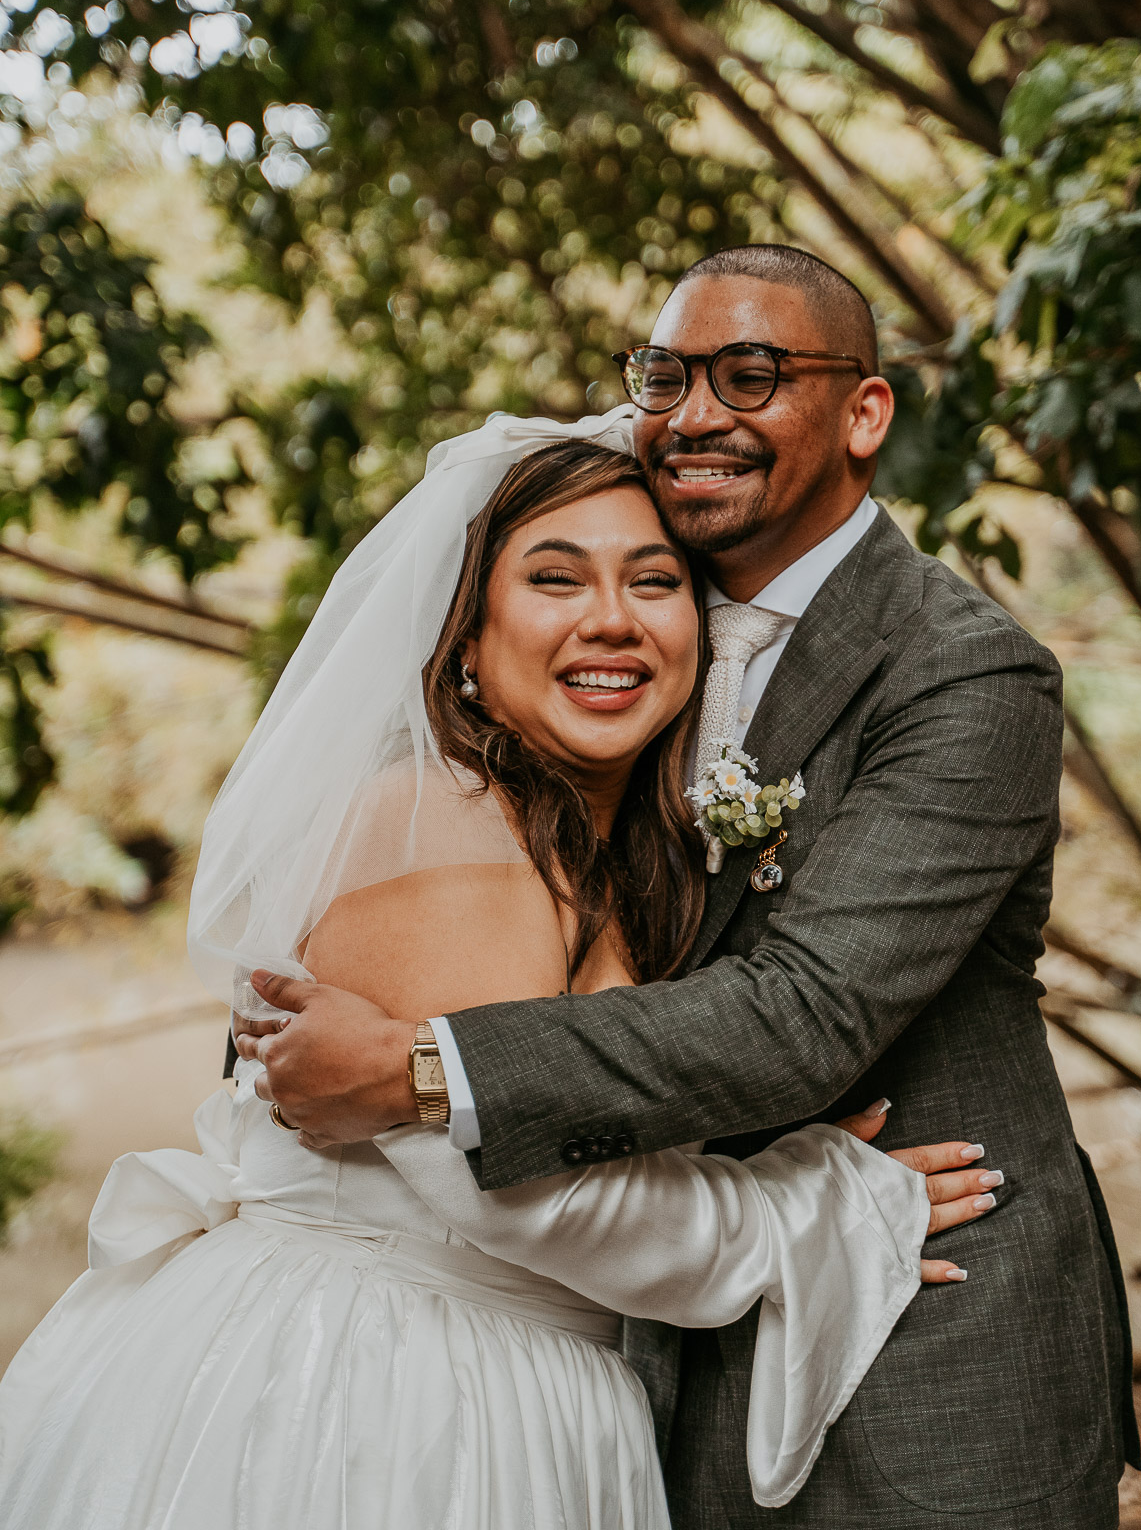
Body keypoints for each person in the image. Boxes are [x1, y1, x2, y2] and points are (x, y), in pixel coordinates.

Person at [239, 245, 1139, 1529]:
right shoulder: (638, 647)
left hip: (931, 1332)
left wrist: (420, 1069)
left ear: (864, 413)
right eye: (668, 375)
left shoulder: (964, 675)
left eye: (754, 374)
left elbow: (804, 1014)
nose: (699, 413)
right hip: (651, 1348)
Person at [0, 428, 992, 1530]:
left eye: (653, 581)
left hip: (516, 1375)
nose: (609, 618)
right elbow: (531, 1199)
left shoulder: (603, 858)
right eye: (554, 576)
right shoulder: (447, 819)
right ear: (468, 637)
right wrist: (802, 1212)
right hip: (379, 1396)